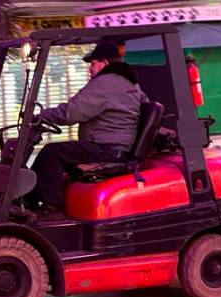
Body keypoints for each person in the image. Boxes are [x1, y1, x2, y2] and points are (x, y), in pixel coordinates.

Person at [25, 41, 147, 213]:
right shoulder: (129, 83)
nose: (90, 68)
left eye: (93, 63)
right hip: (116, 147)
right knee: (57, 154)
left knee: (51, 153)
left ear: (105, 63)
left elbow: (72, 113)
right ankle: (32, 201)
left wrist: (39, 116)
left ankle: (51, 208)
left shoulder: (106, 82)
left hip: (107, 149)